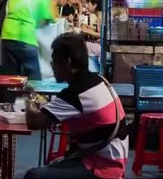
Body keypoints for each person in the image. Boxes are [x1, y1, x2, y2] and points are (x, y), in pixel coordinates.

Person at [23, 33, 128, 178]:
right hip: (109, 160)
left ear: (67, 62)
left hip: (102, 168)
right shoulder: (98, 80)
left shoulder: (77, 93)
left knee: (34, 175)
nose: (53, 68)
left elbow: (33, 122)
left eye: (55, 62)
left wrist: (29, 99)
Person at [0, 0, 55, 79]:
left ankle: (11, 96)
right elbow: (49, 19)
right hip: (25, 38)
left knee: (10, 77)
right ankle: (34, 95)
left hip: (7, 35)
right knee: (34, 76)